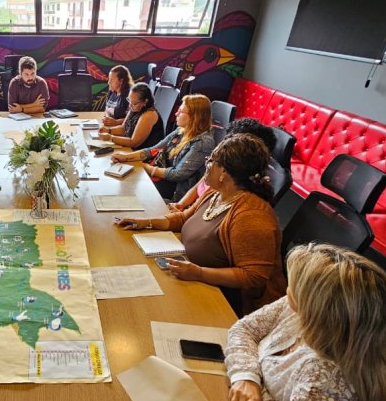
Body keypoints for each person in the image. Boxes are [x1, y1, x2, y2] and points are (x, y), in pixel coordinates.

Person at [226, 243, 386, 401]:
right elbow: (243, 329)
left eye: (295, 287)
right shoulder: (297, 307)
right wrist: (246, 377)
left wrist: (258, 389)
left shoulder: (327, 377)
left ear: (318, 309)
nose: (287, 288)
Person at [116, 134, 286, 314]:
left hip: (225, 304)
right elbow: (184, 219)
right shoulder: (216, 192)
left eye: (210, 161)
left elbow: (253, 276)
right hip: (191, 277)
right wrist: (146, 222)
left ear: (224, 172)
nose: (206, 165)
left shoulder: (251, 215)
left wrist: (199, 273)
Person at [111, 94, 214, 201]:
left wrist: (145, 167)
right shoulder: (181, 130)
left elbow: (177, 174)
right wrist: (126, 157)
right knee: (125, 183)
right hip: (162, 180)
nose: (176, 114)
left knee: (129, 189)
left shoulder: (203, 143)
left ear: (194, 117)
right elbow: (153, 150)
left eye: (181, 112)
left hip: (174, 192)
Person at [168, 117, 278, 211]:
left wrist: (182, 214)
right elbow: (198, 186)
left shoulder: (232, 180)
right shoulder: (219, 164)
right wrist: (181, 205)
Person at [98, 82, 164, 150]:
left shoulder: (149, 115)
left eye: (134, 103)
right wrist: (108, 130)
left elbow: (134, 142)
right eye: (129, 101)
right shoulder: (135, 108)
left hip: (144, 153)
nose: (130, 106)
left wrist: (110, 138)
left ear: (145, 102)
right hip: (132, 149)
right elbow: (123, 129)